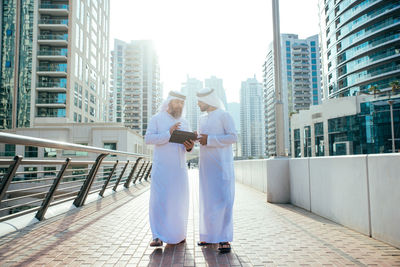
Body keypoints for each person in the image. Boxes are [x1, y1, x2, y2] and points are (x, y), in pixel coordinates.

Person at [145, 91, 194, 247]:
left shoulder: (185, 122)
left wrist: (190, 147)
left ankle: (179, 234)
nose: (179, 105)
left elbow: (188, 146)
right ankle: (157, 236)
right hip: (162, 169)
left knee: (179, 201)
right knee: (159, 201)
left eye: (181, 103)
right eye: (177, 102)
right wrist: (169, 133)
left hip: (179, 170)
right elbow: (149, 139)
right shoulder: (156, 119)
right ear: (169, 102)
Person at [196, 88, 237, 253]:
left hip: (221, 166)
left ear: (208, 100)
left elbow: (233, 137)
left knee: (224, 201)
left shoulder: (224, 115)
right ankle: (208, 236)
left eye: (200, 101)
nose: (198, 104)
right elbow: (201, 139)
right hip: (206, 166)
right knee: (207, 201)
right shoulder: (201, 119)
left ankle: (224, 238)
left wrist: (210, 139)